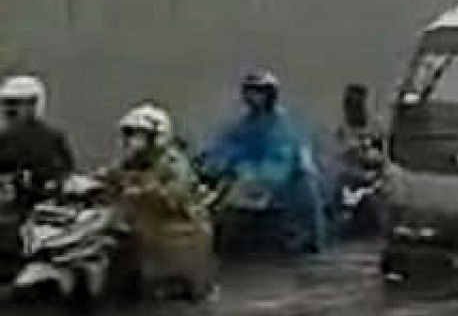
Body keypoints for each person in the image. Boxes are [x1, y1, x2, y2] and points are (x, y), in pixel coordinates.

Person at [201, 71, 328, 255]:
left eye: (257, 92)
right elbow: (224, 151)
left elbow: (280, 165)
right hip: (251, 194)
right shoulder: (243, 125)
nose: (251, 97)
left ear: (269, 95)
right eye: (248, 91)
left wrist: (250, 176)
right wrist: (212, 168)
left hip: (288, 200)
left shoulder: (284, 127)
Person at [104, 104, 214, 296]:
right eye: (130, 134)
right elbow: (109, 177)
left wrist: (146, 191)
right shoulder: (131, 161)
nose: (133, 140)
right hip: (145, 227)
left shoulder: (173, 163)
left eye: (139, 134)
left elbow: (177, 194)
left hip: (178, 228)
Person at [0, 75, 75, 208]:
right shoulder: (4, 138)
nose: (8, 109)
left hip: (41, 208)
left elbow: (66, 174)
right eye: (5, 103)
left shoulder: (52, 138)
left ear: (34, 104)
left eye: (14, 103)